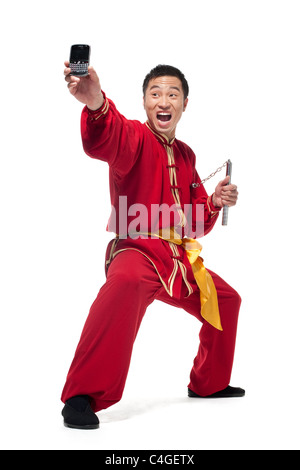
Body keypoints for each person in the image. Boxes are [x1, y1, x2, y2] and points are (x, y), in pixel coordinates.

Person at [61, 61, 244, 430]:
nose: (164, 100)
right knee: (124, 285)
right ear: (145, 102)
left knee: (226, 300)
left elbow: (193, 222)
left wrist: (214, 201)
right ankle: (82, 395)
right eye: (155, 93)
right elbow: (108, 137)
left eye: (172, 94)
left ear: (184, 103)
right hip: (137, 252)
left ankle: (209, 383)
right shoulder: (134, 138)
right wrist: (96, 103)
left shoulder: (187, 155)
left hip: (176, 259)